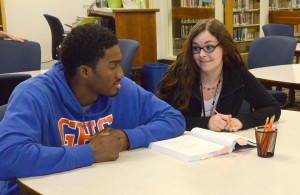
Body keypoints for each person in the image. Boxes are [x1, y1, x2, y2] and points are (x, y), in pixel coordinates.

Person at [0, 24, 185, 194]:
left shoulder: (123, 89)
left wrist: (126, 138)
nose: (121, 73)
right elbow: (7, 157)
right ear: (85, 72)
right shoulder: (33, 95)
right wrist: (89, 153)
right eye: (113, 66)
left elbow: (174, 119)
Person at [157, 18, 281, 132]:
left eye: (209, 47)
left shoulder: (237, 74)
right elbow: (160, 116)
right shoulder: (179, 74)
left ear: (224, 47)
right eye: (196, 48)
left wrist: (241, 121)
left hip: (222, 149)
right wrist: (206, 123)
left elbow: (272, 108)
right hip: (180, 147)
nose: (201, 54)